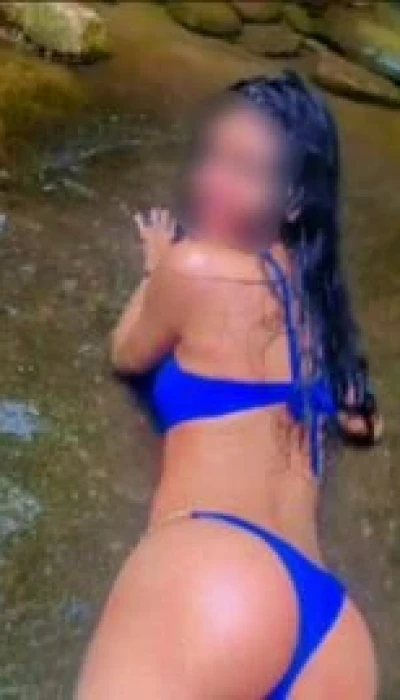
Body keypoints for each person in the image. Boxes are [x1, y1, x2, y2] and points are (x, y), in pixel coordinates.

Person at [76, 72, 382, 699]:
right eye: (213, 156)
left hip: (218, 577)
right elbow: (364, 423)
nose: (210, 181)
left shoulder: (193, 267)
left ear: (293, 199)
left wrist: (158, 269)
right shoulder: (322, 311)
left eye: (243, 169)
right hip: (334, 636)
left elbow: (125, 354)